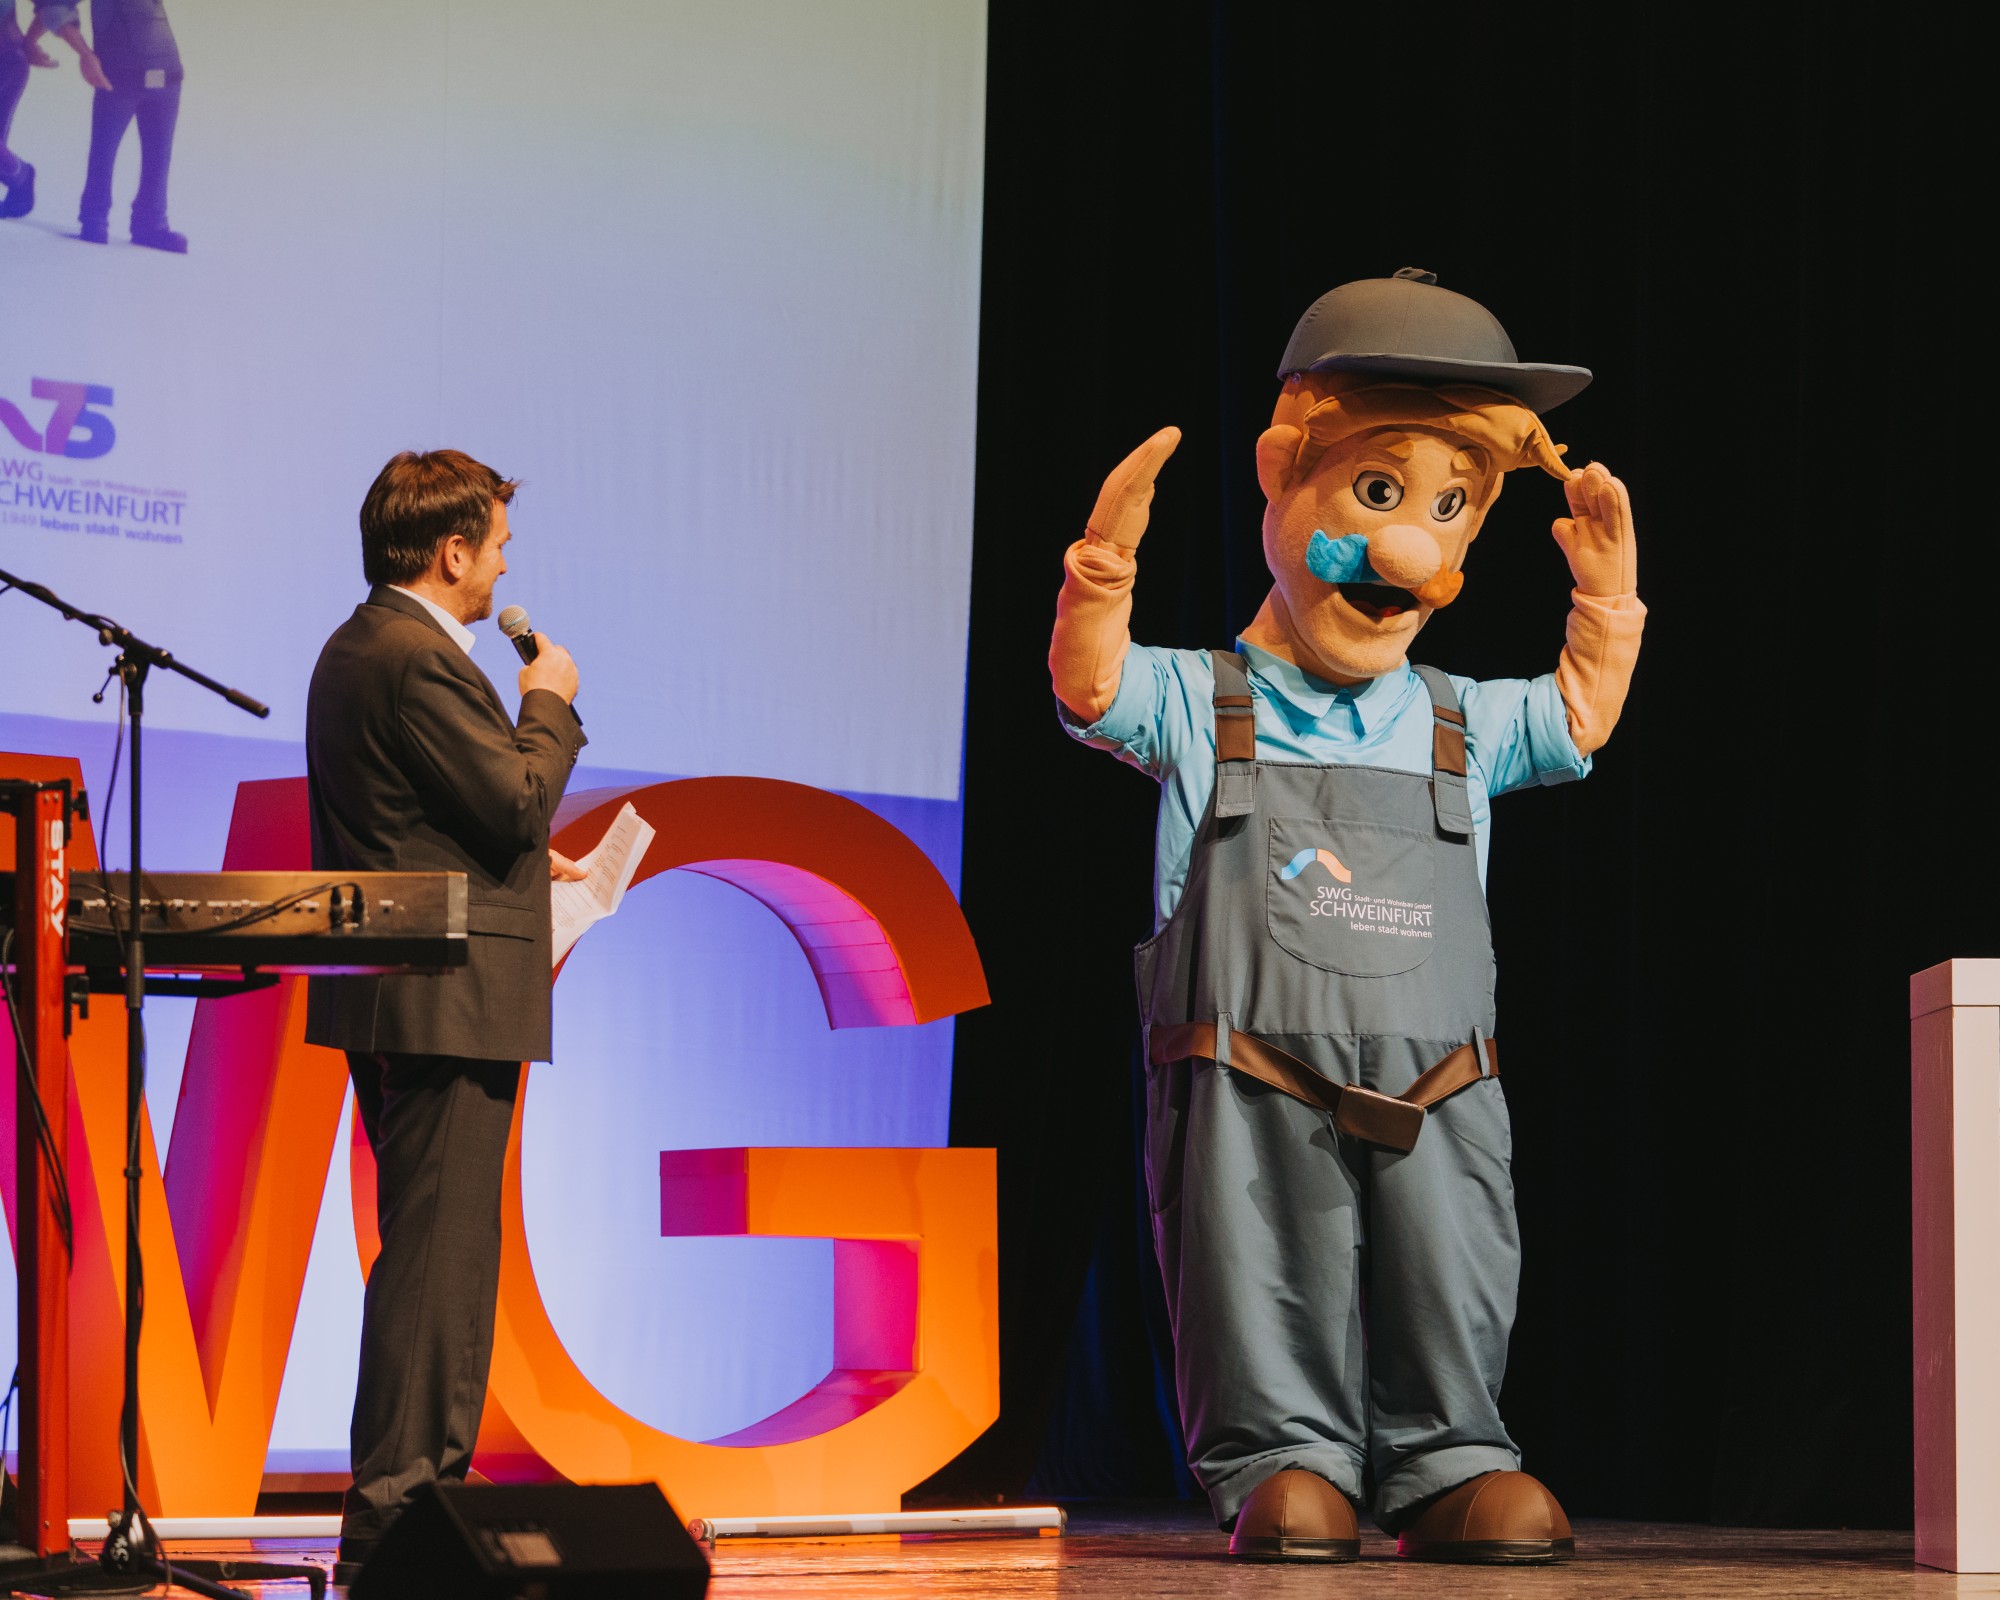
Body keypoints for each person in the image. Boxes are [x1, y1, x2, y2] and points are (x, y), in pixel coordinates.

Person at [1050, 271, 1643, 1563]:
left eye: (1449, 506)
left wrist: (1604, 599)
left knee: (1450, 1261)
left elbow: (1576, 717)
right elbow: (1092, 693)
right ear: (1284, 476)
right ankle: (1285, 1456)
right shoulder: (1200, 702)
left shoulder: (1457, 719)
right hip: (1248, 1086)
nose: (1410, 550)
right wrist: (1101, 570)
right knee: (1251, 1264)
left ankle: (1450, 1461)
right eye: (1379, 492)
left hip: (1439, 1090)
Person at [304, 449, 588, 1567]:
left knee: (432, 1255)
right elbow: (515, 798)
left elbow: (418, 823)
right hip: (444, 1001)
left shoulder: (362, 645)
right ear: (453, 552)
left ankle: (408, 1511)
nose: (507, 566)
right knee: (437, 1263)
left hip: (407, 994)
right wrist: (548, 701)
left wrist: (525, 867)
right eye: (499, 546)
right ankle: (401, 1519)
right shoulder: (418, 657)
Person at [28, 0, 185, 249]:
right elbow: (55, 6)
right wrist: (84, 54)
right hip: (119, 77)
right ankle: (95, 218)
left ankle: (151, 221)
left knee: (159, 153)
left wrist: (30, 39)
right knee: (104, 151)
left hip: (167, 75)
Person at [0, 1, 58, 218]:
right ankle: (20, 176)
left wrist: (31, 41)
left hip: (7, 59)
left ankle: (22, 176)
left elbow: (55, 4)